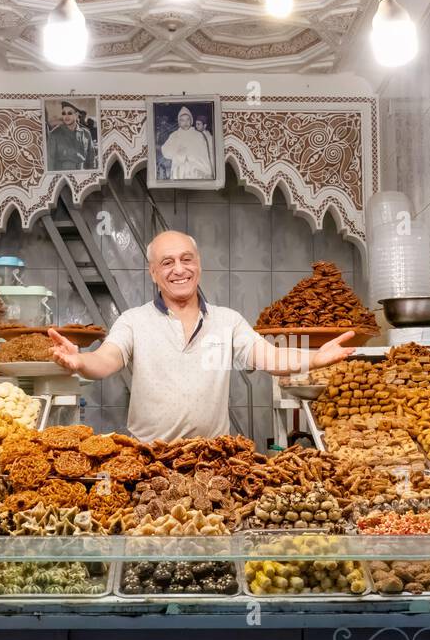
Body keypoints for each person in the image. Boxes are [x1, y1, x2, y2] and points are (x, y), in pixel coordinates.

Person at [48, 230, 355, 441]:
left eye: (186, 259)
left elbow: (270, 357)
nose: (179, 269)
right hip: (149, 461)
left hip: (212, 461)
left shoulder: (227, 321)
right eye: (167, 263)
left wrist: (316, 358)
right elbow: (106, 359)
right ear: (153, 273)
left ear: (199, 265)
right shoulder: (133, 321)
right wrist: (80, 361)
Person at [159, 106, 213, 181]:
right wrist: (177, 151)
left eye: (188, 120)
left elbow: (205, 154)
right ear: (179, 122)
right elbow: (165, 151)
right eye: (182, 120)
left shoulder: (198, 135)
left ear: (191, 121)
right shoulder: (174, 135)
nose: (185, 123)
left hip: (196, 173)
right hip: (179, 173)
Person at [48, 101, 96, 170]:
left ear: (76, 115)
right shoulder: (55, 134)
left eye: (69, 113)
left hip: (82, 175)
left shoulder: (86, 133)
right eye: (64, 113)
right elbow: (50, 161)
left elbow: (91, 159)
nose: (66, 116)